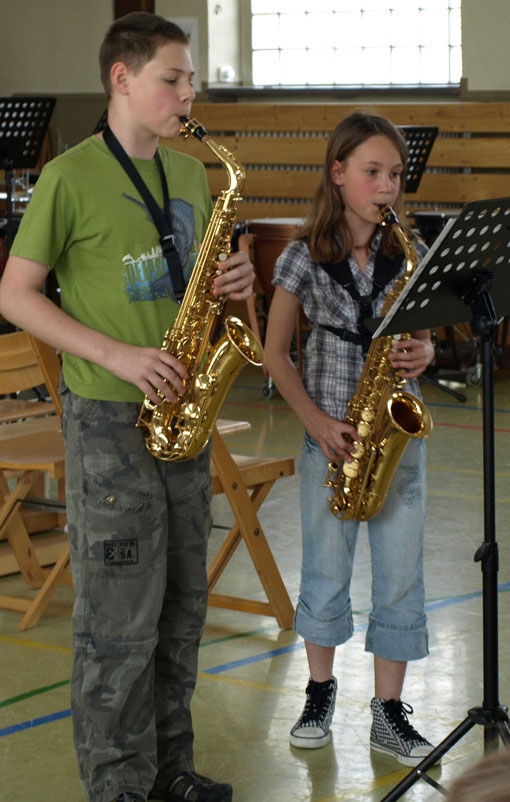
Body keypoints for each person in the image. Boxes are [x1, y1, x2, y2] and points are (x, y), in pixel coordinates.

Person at [0, 12, 255, 802]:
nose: (188, 93)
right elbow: (15, 294)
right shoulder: (70, 176)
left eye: (191, 79)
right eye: (172, 79)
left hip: (183, 412)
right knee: (118, 626)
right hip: (110, 418)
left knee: (181, 610)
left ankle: (169, 771)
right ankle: (119, 788)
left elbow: (176, 286)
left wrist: (227, 288)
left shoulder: (189, 174)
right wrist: (114, 354)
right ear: (122, 79)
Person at [264, 110, 437, 766]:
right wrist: (314, 421)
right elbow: (276, 354)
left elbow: (420, 338)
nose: (387, 185)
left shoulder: (409, 252)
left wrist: (420, 352)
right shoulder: (301, 256)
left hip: (398, 445)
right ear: (338, 176)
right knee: (325, 574)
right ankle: (319, 691)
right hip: (329, 440)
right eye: (372, 173)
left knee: (399, 581)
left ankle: (388, 713)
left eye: (394, 174)